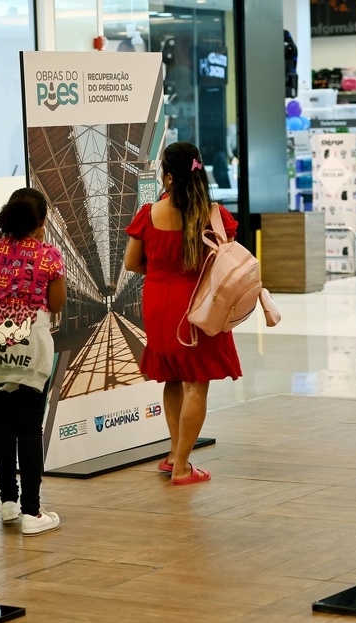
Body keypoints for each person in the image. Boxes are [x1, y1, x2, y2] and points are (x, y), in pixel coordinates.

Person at [123, 141, 242, 485]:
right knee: (197, 385)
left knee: (172, 377)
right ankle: (182, 468)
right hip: (199, 303)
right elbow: (226, 261)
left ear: (168, 176)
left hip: (159, 302)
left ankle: (174, 454)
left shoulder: (149, 214)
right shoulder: (213, 214)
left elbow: (132, 263)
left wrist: (162, 272)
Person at [0, 187, 66, 536]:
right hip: (31, 350)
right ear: (40, 221)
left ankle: (8, 503)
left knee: (1, 422)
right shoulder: (49, 257)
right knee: (29, 427)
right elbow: (55, 305)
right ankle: (32, 512)